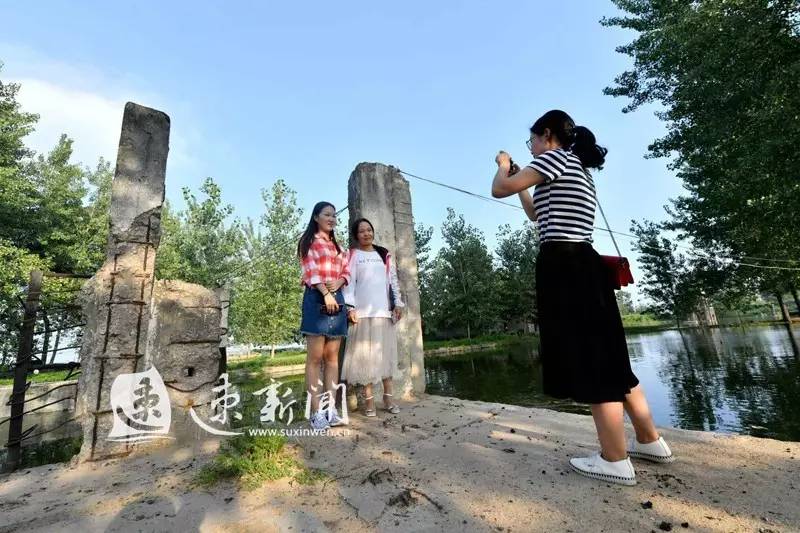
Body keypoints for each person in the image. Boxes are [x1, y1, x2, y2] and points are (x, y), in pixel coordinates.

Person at [490, 109, 674, 486]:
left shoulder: (556, 159)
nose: (533, 148)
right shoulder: (576, 168)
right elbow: (536, 217)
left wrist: (503, 165)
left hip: (566, 266)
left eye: (533, 142)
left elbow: (497, 189)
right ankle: (649, 440)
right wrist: (522, 182)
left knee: (591, 359)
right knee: (611, 356)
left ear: (545, 135)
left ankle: (614, 459)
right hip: (584, 265)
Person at [341, 218, 404, 416]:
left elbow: (392, 280)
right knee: (365, 361)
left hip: (383, 313)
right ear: (356, 235)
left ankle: (388, 398)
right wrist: (350, 308)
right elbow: (348, 283)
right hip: (362, 314)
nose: (367, 233)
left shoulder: (383, 254)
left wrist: (398, 304)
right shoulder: (352, 255)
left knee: (385, 358)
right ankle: (369, 403)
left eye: (369, 230)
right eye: (362, 231)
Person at [297, 202, 351, 430]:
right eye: (327, 214)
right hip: (316, 298)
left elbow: (346, 269)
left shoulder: (338, 246)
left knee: (332, 358)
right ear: (316, 217)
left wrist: (339, 282)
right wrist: (326, 293)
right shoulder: (308, 242)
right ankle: (315, 412)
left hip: (337, 299)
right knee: (315, 358)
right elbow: (311, 271)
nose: (332, 218)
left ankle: (331, 410)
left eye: (334, 215)